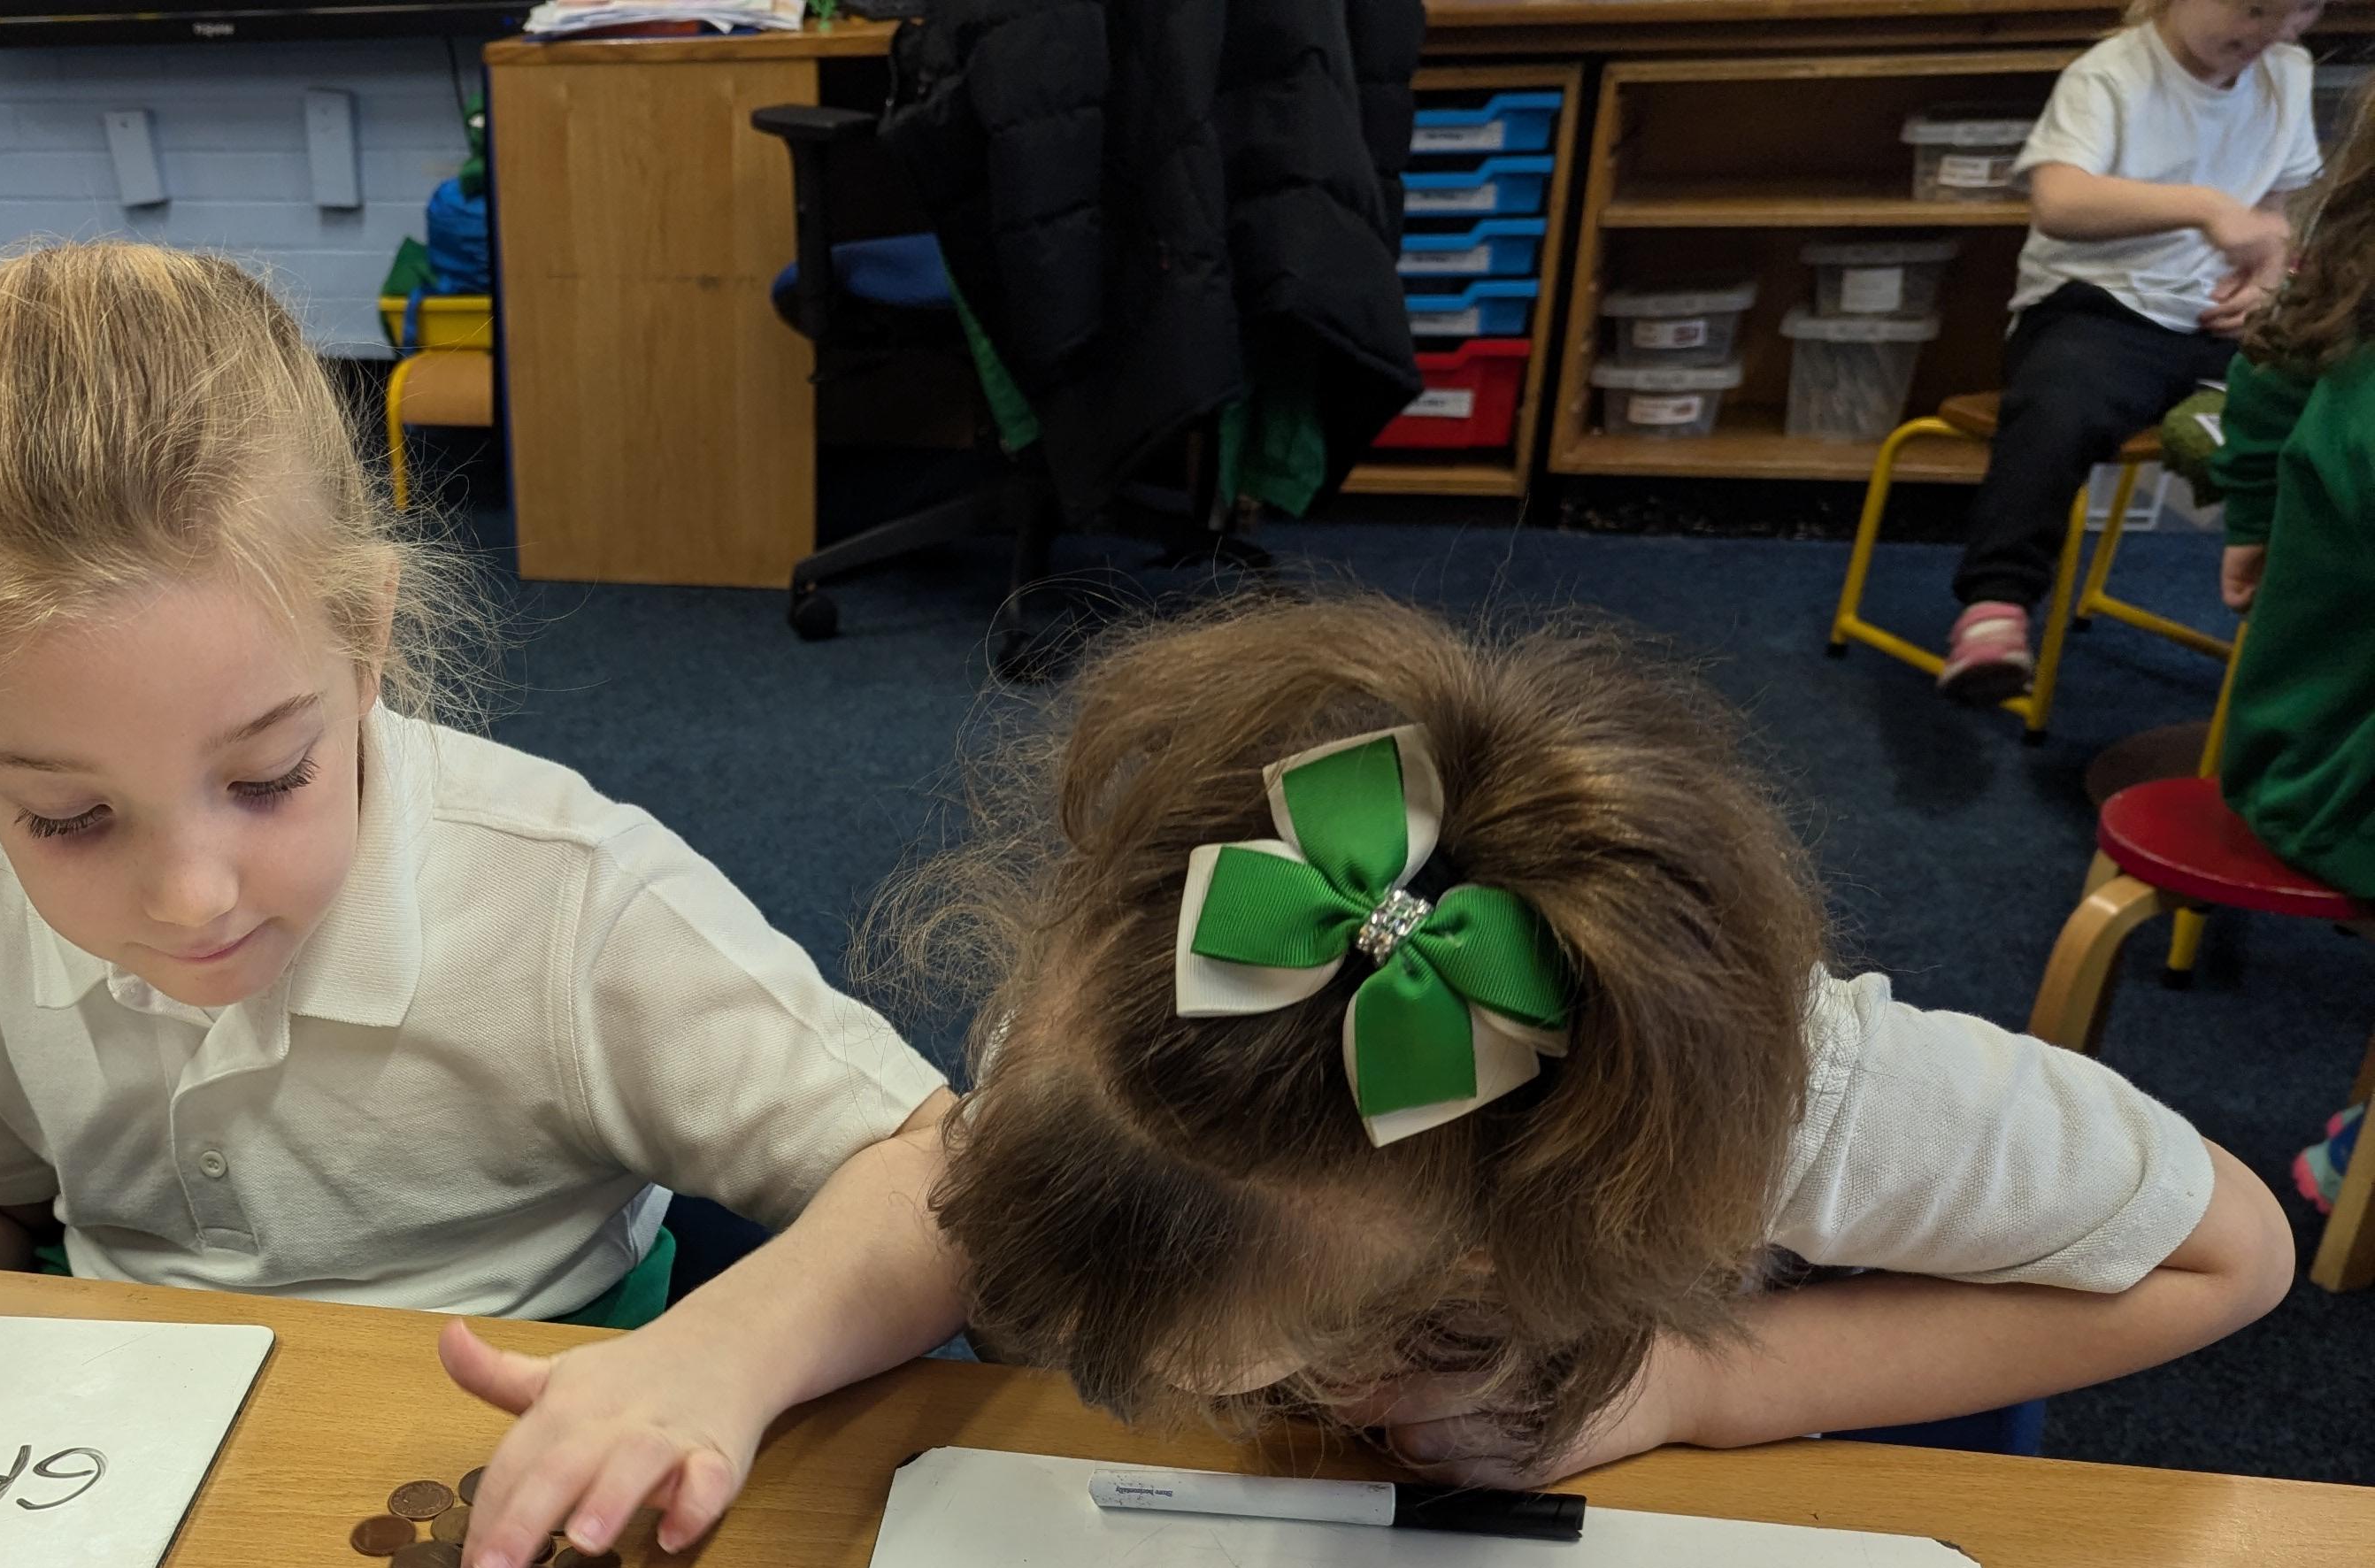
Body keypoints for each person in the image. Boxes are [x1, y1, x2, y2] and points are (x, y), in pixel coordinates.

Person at [0, 241, 961, 1568]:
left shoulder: (567, 900)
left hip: (516, 1499)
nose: (191, 896)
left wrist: (725, 1352)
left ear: (367, 640)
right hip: (118, 1486)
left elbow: (953, 1180)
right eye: (68, 819)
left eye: (268, 778)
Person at [879, 592, 2291, 1482]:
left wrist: (1697, 1389)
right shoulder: (1133, 1018)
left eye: (1285, 1342)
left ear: (1486, 1259)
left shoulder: (1829, 1113)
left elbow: (2235, 1254)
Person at [1941, 0, 2321, 702]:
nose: (2272, 31)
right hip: (2099, 313)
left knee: (2324, 400)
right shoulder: (2110, 75)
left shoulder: (2287, 71)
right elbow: (2059, 202)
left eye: (2301, 11)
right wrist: (2206, 206)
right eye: (2253, 7)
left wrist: (2267, 278)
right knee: (2059, 406)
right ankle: (1997, 604)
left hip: (2215, 322)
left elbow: (2274, 211)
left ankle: (2311, 618)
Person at [2210, 77, 2375, 1213]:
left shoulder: (2342, 277)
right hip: (2335, 778)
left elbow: (2268, 369)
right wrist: (2261, 515)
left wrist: (2257, 519)